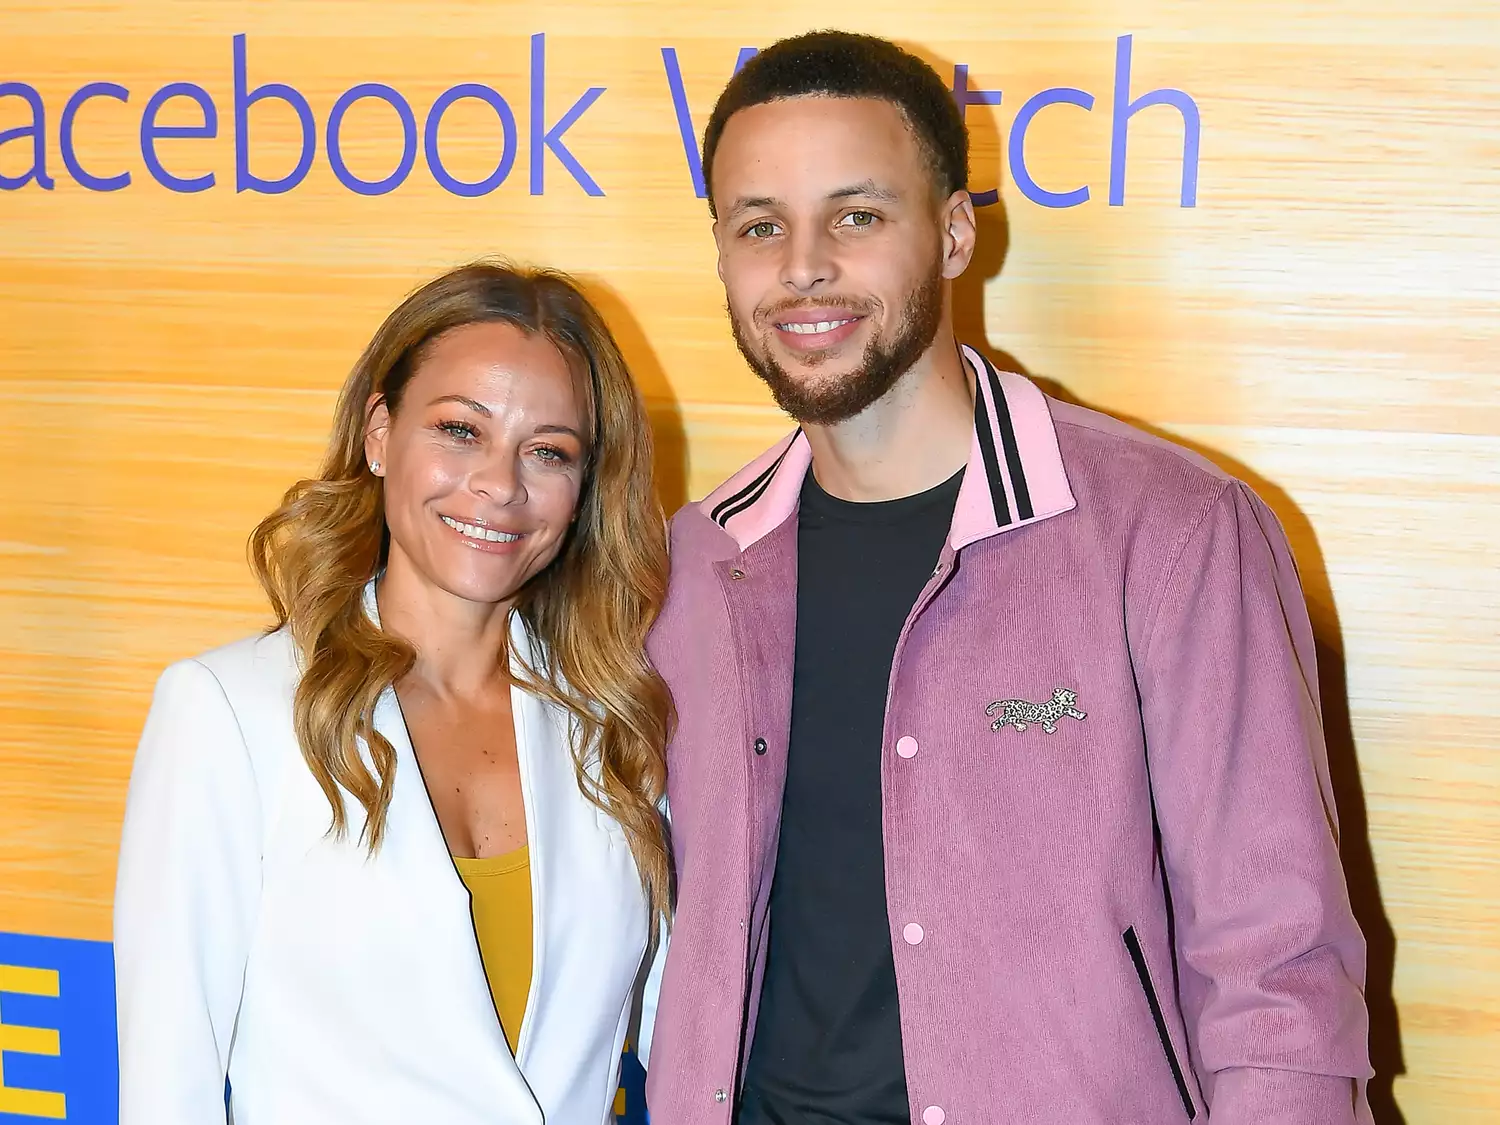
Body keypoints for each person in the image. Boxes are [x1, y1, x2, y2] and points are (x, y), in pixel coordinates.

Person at [643, 30, 1374, 1125]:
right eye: (760, 226)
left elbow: (1279, 970)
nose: (803, 266)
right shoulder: (692, 563)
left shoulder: (1169, 532)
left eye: (856, 215)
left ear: (950, 234)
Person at [114, 261, 671, 1125]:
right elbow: (166, 1094)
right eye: (460, 430)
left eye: (548, 450)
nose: (501, 484)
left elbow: (680, 1035)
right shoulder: (228, 711)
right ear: (380, 434)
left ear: (585, 487)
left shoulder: (613, 723)